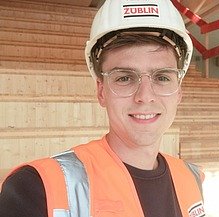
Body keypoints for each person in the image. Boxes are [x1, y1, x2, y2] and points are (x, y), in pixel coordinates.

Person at [0, 0, 206, 216]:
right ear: (101, 92)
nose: (145, 96)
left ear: (179, 91)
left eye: (162, 77)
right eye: (125, 78)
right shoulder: (36, 188)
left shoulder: (191, 178)